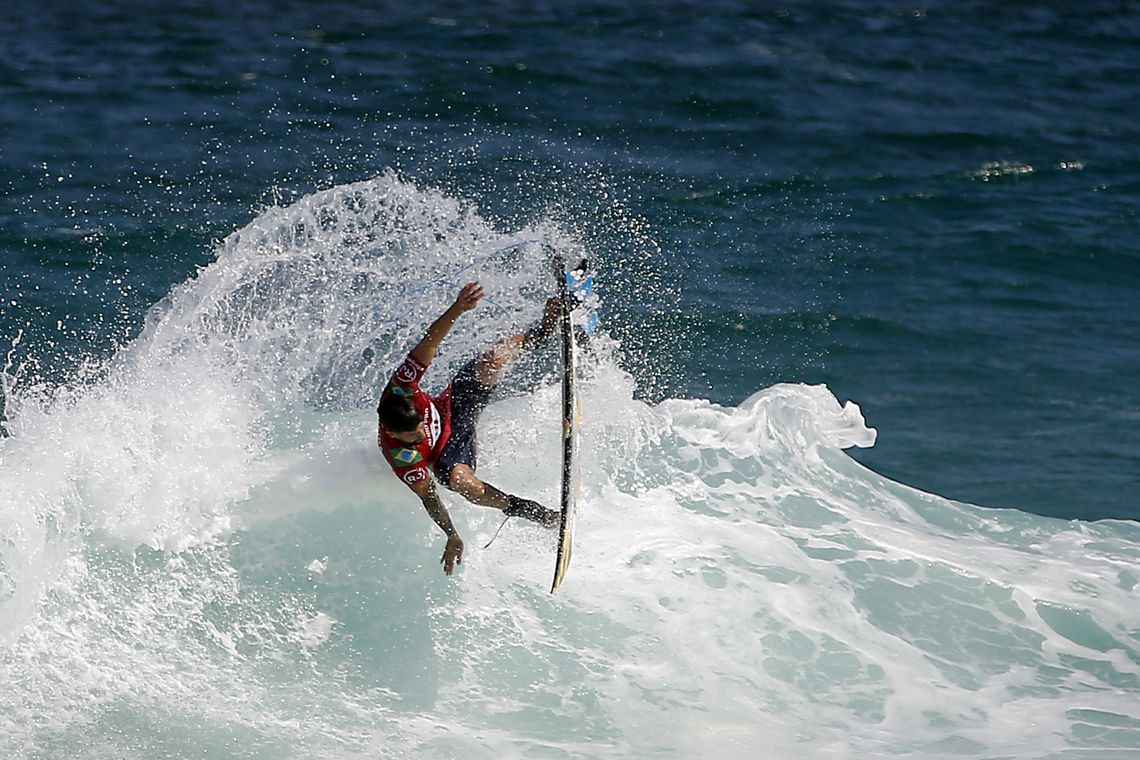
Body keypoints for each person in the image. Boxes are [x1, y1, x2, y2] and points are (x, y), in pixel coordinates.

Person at [377, 281, 561, 575]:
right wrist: (452, 535)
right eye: (415, 438)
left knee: (494, 359)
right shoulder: (404, 460)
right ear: (394, 435)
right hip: (447, 453)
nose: (423, 434)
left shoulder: (402, 386)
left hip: (452, 407)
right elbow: (431, 498)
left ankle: (544, 329)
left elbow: (429, 342)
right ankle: (538, 513)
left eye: (422, 427)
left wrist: (458, 308)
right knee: (466, 485)